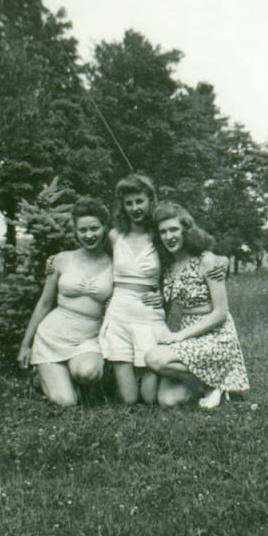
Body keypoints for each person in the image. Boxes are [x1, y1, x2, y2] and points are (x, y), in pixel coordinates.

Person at [145, 201, 249, 409]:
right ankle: (216, 386)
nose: (169, 236)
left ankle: (217, 385)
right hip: (189, 334)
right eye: (163, 232)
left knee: (154, 358)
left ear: (186, 229)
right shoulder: (167, 266)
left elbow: (220, 312)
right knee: (167, 400)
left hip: (215, 335)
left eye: (174, 229)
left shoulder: (207, 261)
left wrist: (180, 336)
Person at [18, 197, 113, 407]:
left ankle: (70, 377)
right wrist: (26, 344)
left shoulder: (114, 264)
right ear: (76, 232)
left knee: (86, 373)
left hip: (88, 339)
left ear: (105, 228)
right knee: (67, 403)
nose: (89, 235)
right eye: (83, 230)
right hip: (52, 337)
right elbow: (44, 303)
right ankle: (44, 375)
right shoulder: (61, 260)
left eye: (94, 228)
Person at [98, 173, 168, 404]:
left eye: (140, 201)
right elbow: (93, 258)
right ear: (123, 206)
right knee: (128, 400)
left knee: (150, 399)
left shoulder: (160, 235)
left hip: (149, 313)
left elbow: (184, 261)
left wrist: (164, 296)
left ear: (150, 200)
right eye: (129, 203)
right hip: (119, 312)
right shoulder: (115, 235)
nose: (135, 208)